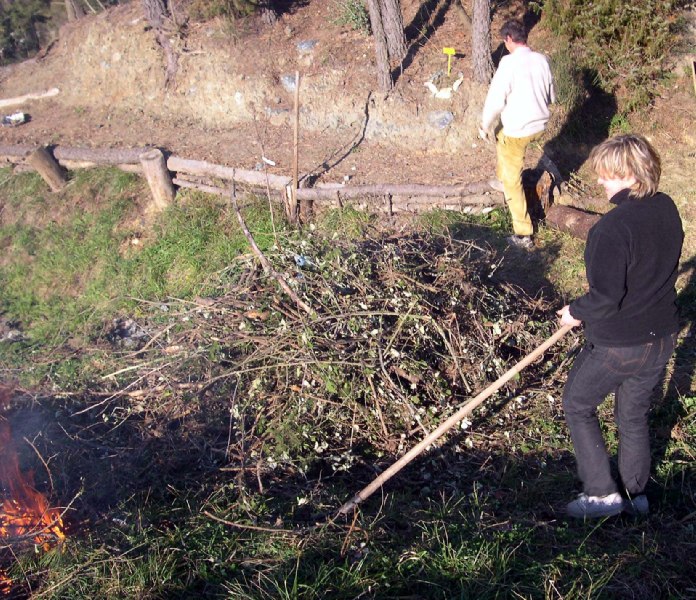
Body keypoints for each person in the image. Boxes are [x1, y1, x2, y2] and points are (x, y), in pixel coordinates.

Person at [557, 134, 684, 519]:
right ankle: (635, 496)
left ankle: (600, 496)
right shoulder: (666, 207)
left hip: (620, 345)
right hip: (661, 338)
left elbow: (604, 299)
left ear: (629, 174)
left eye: (606, 175)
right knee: (632, 415)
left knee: (577, 405)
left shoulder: (610, 229)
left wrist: (573, 312)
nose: (599, 182)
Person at [479, 19, 555, 249]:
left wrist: (484, 125)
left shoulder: (508, 64)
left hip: (518, 131)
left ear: (509, 39)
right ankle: (502, 177)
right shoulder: (541, 60)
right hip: (539, 125)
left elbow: (495, 101)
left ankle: (523, 233)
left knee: (513, 177)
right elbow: (551, 95)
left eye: (505, 42)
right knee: (502, 137)